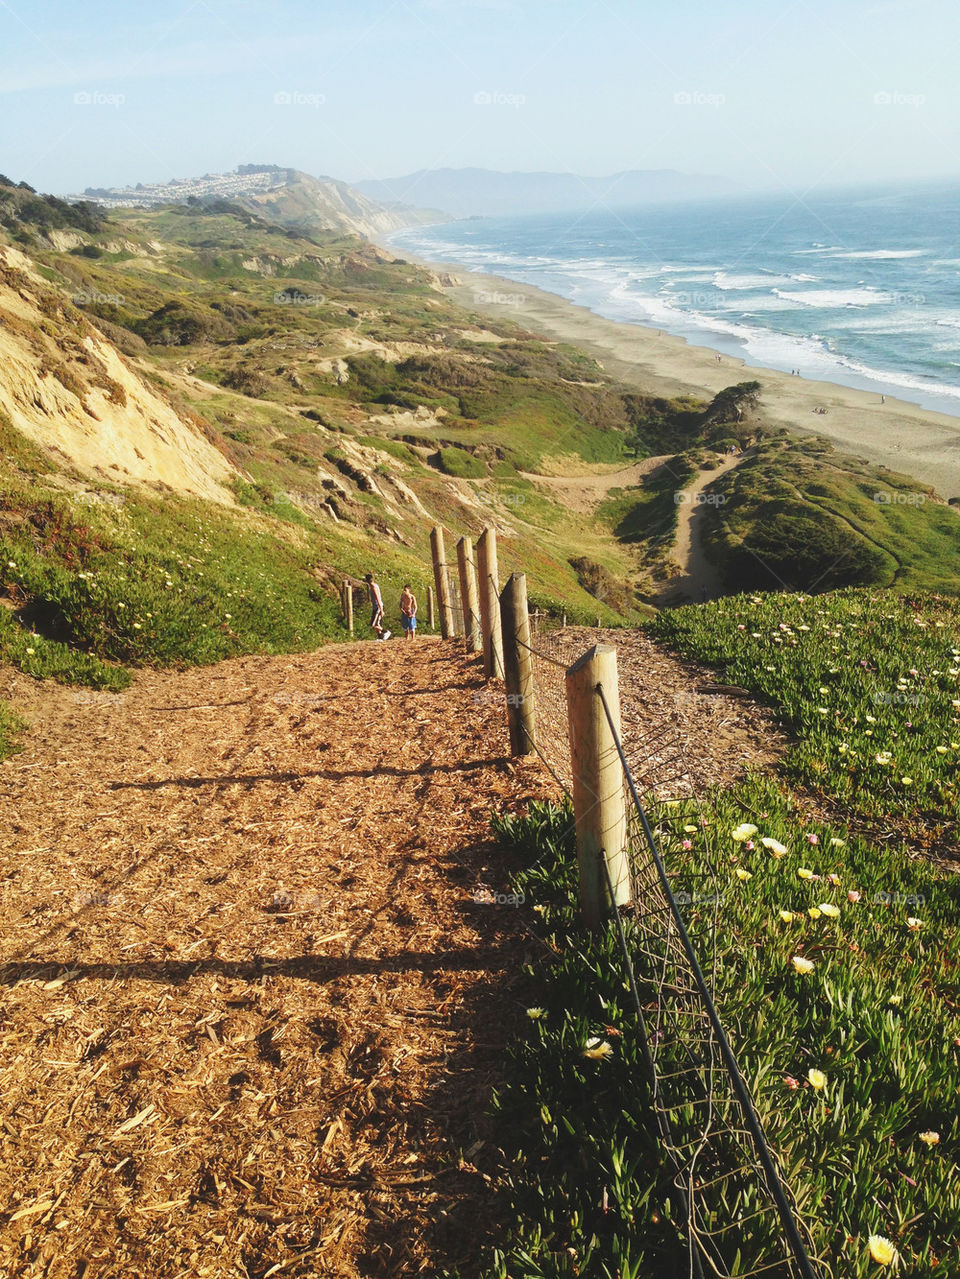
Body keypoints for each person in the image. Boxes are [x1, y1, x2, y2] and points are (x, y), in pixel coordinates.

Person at [365, 572, 390, 641]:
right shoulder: (374, 586)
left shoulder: (373, 587)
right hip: (375, 607)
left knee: (373, 624)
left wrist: (381, 610)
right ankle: (380, 637)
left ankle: (386, 632)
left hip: (378, 607)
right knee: (377, 623)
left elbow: (378, 598)